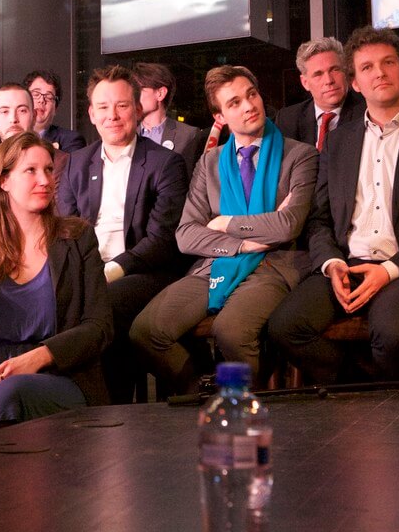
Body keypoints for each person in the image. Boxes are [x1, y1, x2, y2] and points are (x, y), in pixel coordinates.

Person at [269, 28, 399, 383]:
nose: (379, 72)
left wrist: (388, 271)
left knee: (391, 334)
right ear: (356, 83)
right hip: (348, 264)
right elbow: (319, 219)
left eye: (388, 63)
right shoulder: (338, 140)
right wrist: (331, 265)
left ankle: (391, 419)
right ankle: (360, 388)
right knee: (286, 327)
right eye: (367, 67)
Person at [130, 65, 317, 394]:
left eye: (251, 95)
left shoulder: (299, 155)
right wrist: (243, 244)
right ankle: (204, 393)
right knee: (146, 331)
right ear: (220, 116)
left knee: (231, 331)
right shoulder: (210, 163)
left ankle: (250, 410)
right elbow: (186, 234)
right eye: (234, 103)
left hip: (274, 265)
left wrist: (225, 224)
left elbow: (288, 225)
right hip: (215, 264)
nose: (248, 106)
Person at [0, 132, 112, 437]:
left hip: (64, 377)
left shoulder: (77, 238)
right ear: (4, 181)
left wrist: (41, 356)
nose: (45, 180)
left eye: (49, 169)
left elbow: (99, 326)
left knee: (13, 395)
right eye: (31, 171)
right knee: (5, 396)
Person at [58, 66, 189, 403]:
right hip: (90, 269)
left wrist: (110, 271)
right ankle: (63, 405)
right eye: (103, 107)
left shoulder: (165, 163)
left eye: (122, 106)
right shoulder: (75, 163)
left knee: (106, 306)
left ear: (137, 109)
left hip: (144, 271)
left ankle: (112, 409)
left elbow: (161, 241)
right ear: (91, 113)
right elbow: (65, 229)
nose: (112, 116)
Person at [0, 84, 69, 238]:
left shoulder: (59, 161)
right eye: (4, 111)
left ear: (34, 116)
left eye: (22, 110)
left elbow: (59, 220)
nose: (13, 119)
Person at [274, 37, 366, 150]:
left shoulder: (366, 111)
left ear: (345, 72)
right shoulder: (288, 119)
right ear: (305, 83)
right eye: (318, 74)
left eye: (335, 70)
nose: (329, 81)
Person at [132, 61, 207, 177]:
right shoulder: (128, 136)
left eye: (139, 90)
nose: (133, 96)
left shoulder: (188, 135)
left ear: (160, 93)